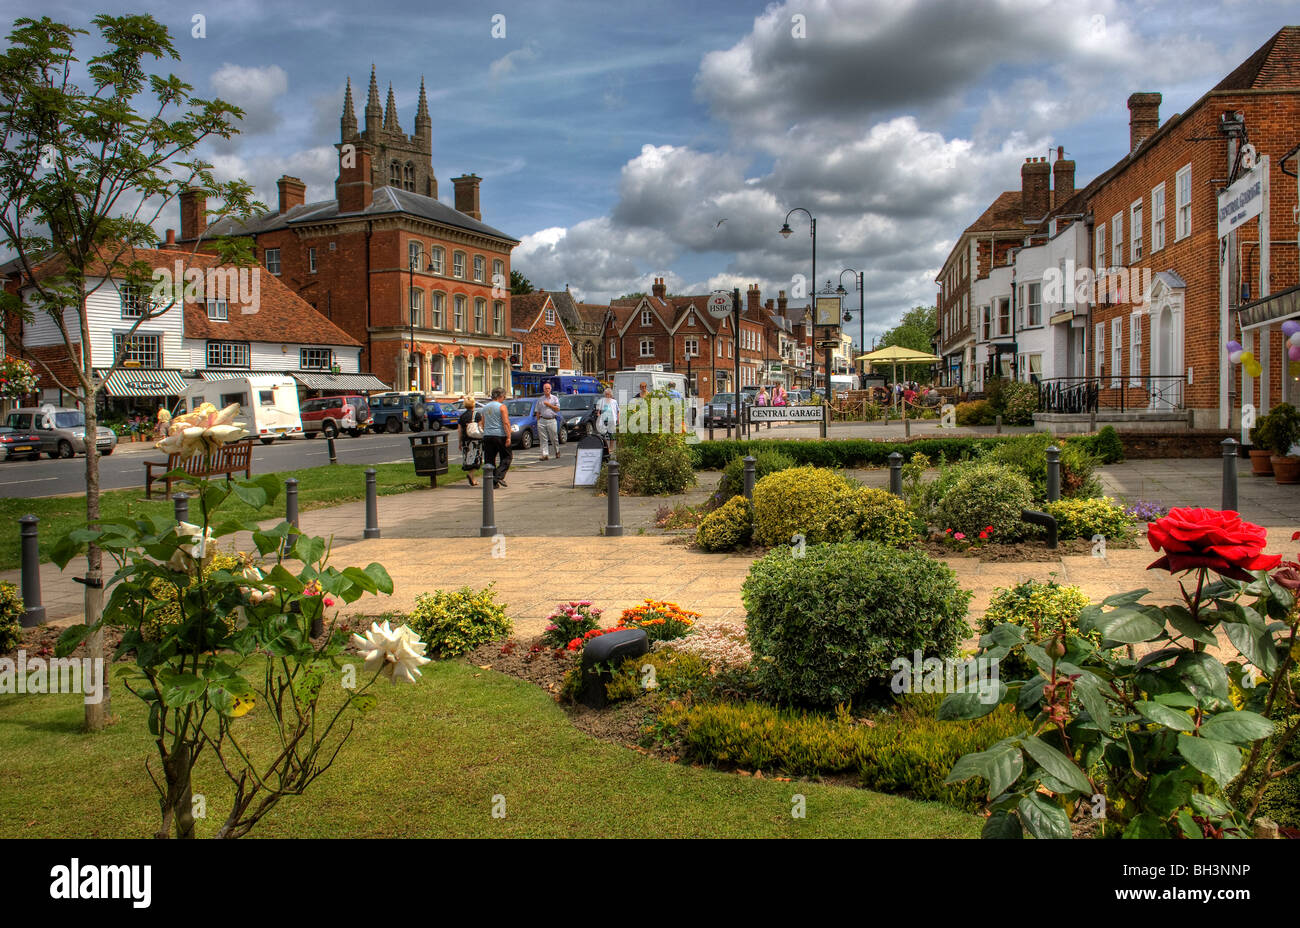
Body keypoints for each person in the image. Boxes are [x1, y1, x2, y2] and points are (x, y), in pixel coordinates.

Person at [481, 387, 512, 488]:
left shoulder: (485, 408)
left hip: (487, 435)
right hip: (499, 435)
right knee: (507, 457)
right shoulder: (502, 407)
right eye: (504, 396)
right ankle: (498, 476)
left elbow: (483, 423)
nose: (504, 398)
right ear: (500, 396)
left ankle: (491, 481)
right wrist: (508, 437)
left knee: (489, 459)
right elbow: (506, 422)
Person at [458, 395, 484, 487]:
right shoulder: (477, 415)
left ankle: (472, 478)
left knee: (468, 459)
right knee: (476, 459)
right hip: (476, 439)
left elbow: (460, 430)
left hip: (466, 440)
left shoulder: (462, 416)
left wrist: (460, 442)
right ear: (473, 404)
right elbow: (480, 427)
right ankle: (471, 476)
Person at [534, 382, 561, 461]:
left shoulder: (554, 398)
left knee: (554, 438)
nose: (547, 390)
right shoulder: (540, 399)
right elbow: (537, 411)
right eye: (546, 388)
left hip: (551, 420)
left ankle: (557, 451)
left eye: (548, 388)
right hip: (542, 420)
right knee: (543, 439)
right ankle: (545, 454)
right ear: (543, 389)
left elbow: (557, 409)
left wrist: (549, 405)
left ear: (551, 389)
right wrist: (538, 421)